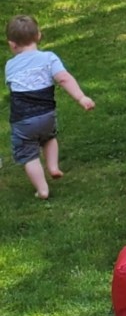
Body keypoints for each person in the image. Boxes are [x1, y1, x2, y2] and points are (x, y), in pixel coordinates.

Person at [5, 15, 95, 199]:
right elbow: (63, 78)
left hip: (22, 120)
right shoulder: (49, 58)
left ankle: (42, 189)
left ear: (12, 45)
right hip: (46, 115)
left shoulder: (10, 65)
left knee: (29, 154)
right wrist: (81, 97)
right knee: (48, 138)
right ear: (39, 36)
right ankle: (53, 167)